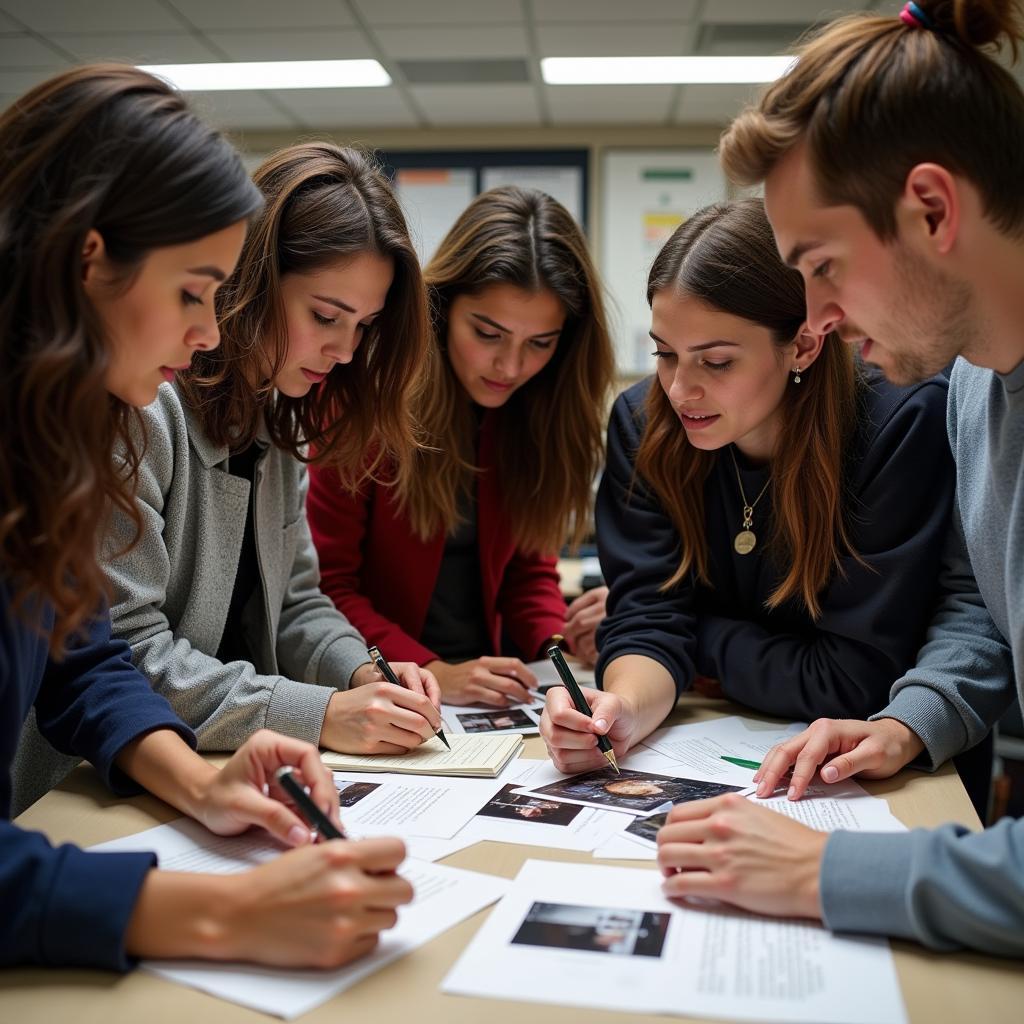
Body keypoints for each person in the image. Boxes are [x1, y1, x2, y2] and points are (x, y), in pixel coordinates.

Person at [1, 65, 410, 971]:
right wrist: (221, 914)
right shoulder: (129, 416)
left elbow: (82, 653)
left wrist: (199, 780)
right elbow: (132, 640)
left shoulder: (47, 439)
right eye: (194, 292)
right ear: (87, 260)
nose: (212, 332)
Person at [653, 0, 1024, 958]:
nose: (813, 314)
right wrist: (909, 722)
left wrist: (820, 873)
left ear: (932, 210)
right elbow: (978, 599)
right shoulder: (974, 386)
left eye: (821, 267)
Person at [541, 198, 953, 774]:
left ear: (804, 345)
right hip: (723, 739)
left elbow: (853, 679)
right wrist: (623, 708)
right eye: (664, 354)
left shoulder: (898, 421)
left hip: (877, 768)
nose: (680, 390)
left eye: (716, 362)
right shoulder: (644, 421)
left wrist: (694, 630)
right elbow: (649, 622)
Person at [101, 142, 443, 755]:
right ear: (253, 283)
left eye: (363, 326)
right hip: (98, 782)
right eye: (325, 315)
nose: (345, 351)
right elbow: (126, 653)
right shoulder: (145, 410)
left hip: (222, 762)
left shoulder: (277, 418)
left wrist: (362, 672)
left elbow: (294, 606)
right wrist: (322, 714)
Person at [308, 186, 615, 707]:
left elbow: (527, 574)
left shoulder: (534, 410)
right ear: (441, 309)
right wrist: (433, 670)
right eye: (487, 333)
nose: (511, 367)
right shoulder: (363, 402)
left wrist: (559, 645)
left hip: (487, 696)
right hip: (382, 687)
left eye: (540, 343)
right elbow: (326, 589)